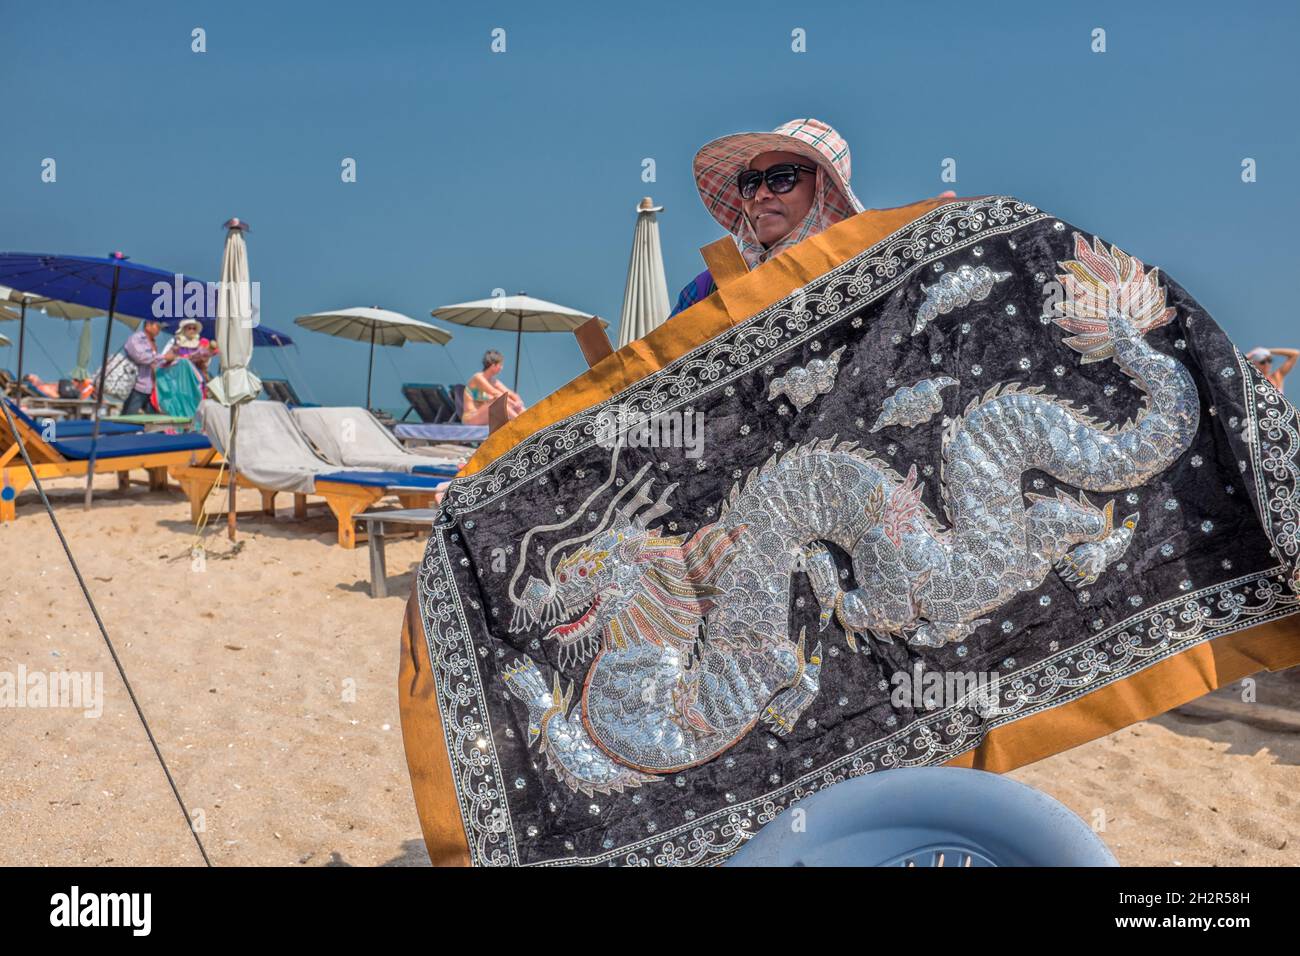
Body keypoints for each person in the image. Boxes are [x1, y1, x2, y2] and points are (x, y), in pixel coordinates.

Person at [670, 117, 954, 317]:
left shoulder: (877, 268)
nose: (761, 194)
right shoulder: (708, 288)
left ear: (822, 187)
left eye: (781, 178)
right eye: (751, 181)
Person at [121, 320, 175, 415]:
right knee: (128, 418)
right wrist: (164, 357)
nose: (159, 329)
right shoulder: (136, 338)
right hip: (137, 387)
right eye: (157, 326)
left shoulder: (153, 343)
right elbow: (141, 357)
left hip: (151, 389)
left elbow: (154, 362)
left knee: (154, 421)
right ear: (148, 326)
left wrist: (169, 360)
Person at [462, 350, 525, 425]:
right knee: (498, 402)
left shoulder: (494, 381)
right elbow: (495, 393)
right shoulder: (478, 377)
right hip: (470, 418)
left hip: (483, 416)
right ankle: (521, 423)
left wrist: (518, 401)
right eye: (500, 365)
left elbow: (510, 393)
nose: (502, 368)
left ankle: (530, 419)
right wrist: (513, 403)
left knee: (512, 403)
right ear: (493, 365)